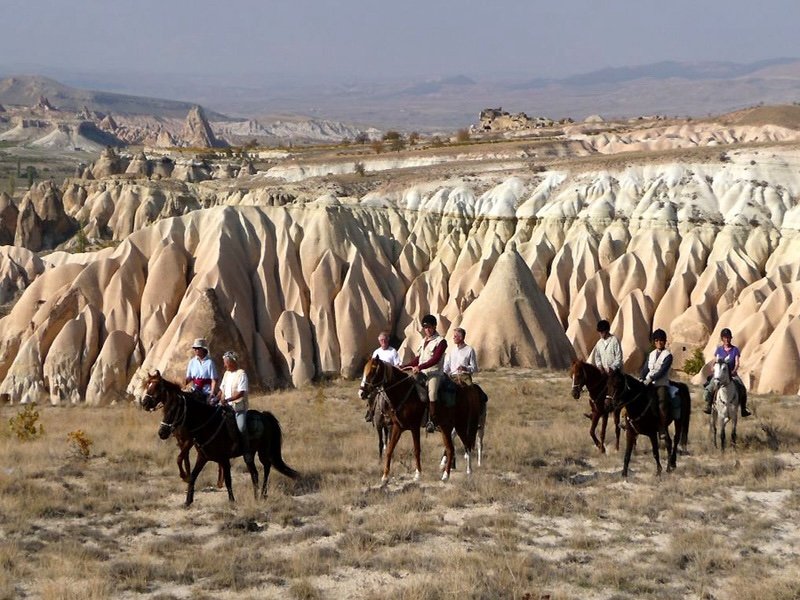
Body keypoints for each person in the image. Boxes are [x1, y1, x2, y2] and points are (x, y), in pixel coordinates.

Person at [401, 314, 447, 434]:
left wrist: (420, 367)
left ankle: (432, 420)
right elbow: (417, 359)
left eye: (429, 327)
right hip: (421, 372)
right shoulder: (423, 341)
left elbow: (435, 359)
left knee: (432, 393)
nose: (427, 330)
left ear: (435, 326)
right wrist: (404, 367)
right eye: (425, 328)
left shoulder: (441, 341)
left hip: (434, 374)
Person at [703, 328, 751, 417]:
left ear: (730, 338)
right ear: (722, 339)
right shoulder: (719, 350)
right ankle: (709, 405)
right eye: (725, 338)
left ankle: (743, 409)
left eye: (728, 337)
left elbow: (737, 362)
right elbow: (716, 360)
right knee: (710, 387)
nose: (727, 340)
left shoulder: (735, 350)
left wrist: (734, 371)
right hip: (720, 374)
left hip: (732, 374)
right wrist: (714, 367)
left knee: (742, 388)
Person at [215, 350, 251, 458]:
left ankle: (246, 449)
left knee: (241, 427)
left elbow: (241, 393)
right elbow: (222, 389)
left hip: (238, 407)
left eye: (226, 362)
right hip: (225, 406)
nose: (224, 364)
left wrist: (228, 399)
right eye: (224, 362)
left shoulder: (241, 374)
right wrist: (215, 398)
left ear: (232, 362)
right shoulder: (226, 374)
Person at [640, 329, 673, 439]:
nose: (659, 342)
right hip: (648, 382)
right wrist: (641, 378)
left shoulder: (668, 355)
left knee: (662, 402)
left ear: (665, 341)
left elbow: (662, 371)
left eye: (661, 340)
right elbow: (645, 368)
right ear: (654, 342)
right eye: (657, 340)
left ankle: (662, 428)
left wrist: (651, 378)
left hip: (661, 384)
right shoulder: (651, 354)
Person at [364, 332, 401, 422]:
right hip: (378, 379)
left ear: (388, 340)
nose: (383, 341)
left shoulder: (393, 351)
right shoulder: (376, 352)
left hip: (389, 379)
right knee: (370, 394)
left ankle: (397, 412)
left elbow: (397, 365)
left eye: (385, 340)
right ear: (379, 341)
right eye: (381, 340)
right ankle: (370, 411)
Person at [184, 338, 219, 404]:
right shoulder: (192, 362)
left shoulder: (210, 362)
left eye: (197, 348)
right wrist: (183, 386)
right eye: (194, 348)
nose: (195, 350)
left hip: (206, 393)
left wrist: (212, 393)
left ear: (203, 349)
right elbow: (189, 378)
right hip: (195, 391)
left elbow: (214, 380)